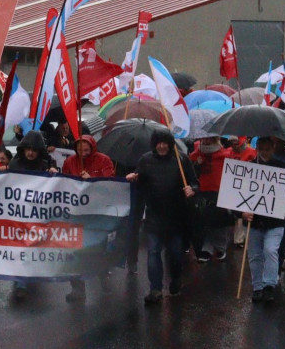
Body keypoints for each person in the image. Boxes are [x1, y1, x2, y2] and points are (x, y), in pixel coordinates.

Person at [126, 128, 197, 305]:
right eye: (159, 143)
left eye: (165, 143)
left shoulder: (182, 160)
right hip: (154, 217)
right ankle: (155, 289)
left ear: (170, 144)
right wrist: (133, 178)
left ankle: (175, 279)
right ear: (154, 144)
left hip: (177, 217)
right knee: (153, 253)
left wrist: (192, 189)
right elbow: (139, 179)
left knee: (175, 254)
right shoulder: (145, 160)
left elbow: (195, 182)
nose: (162, 146)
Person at [61, 134, 116, 303]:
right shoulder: (70, 162)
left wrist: (92, 181)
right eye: (79, 149)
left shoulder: (104, 160)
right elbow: (64, 182)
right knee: (73, 249)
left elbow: (111, 184)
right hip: (76, 213)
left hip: (97, 214)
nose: (82, 153)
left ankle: (102, 275)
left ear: (92, 148)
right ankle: (77, 289)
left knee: (97, 249)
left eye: (86, 150)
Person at [6, 130, 58, 300]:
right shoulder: (14, 164)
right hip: (19, 213)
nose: (30, 153)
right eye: (27, 149)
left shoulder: (46, 165)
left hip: (38, 214)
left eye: (34, 150)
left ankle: (29, 276)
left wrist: (53, 173)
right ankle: (21, 282)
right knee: (22, 246)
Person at [242, 137, 285, 303]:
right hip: (253, 221)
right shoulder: (249, 167)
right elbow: (237, 194)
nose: (264, 152)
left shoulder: (282, 168)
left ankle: (269, 285)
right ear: (257, 148)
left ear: (273, 148)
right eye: (261, 149)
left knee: (270, 251)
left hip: (275, 221)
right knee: (254, 255)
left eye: (267, 149)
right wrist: (241, 213)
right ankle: (257, 287)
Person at [188, 136, 234, 263]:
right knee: (204, 221)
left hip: (220, 191)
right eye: (204, 139)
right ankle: (206, 248)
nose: (206, 141)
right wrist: (196, 164)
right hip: (202, 191)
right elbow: (191, 172)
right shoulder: (196, 154)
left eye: (210, 139)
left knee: (219, 221)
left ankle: (220, 247)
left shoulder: (225, 154)